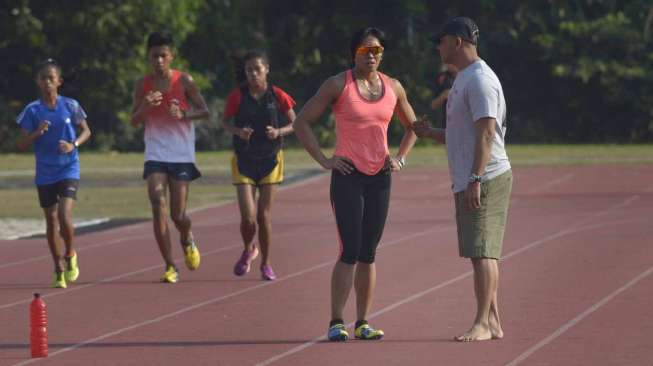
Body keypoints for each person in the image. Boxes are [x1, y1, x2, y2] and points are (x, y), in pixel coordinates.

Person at [293, 27, 418, 341]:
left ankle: (362, 322)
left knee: (369, 252)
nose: (372, 56)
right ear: (354, 54)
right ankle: (337, 321)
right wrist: (324, 160)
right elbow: (302, 122)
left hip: (380, 178)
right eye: (366, 51)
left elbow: (413, 127)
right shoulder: (338, 85)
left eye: (377, 50)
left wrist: (400, 158)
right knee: (349, 250)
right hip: (348, 177)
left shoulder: (394, 87)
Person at [414, 17, 513, 342]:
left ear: (457, 41)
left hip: (484, 176)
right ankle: (494, 321)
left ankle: (483, 323)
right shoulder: (463, 79)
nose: (438, 47)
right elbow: (464, 134)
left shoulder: (480, 80)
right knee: (480, 250)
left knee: (484, 251)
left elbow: (486, 134)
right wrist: (430, 133)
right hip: (472, 176)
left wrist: (475, 178)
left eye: (440, 41)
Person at [130, 31, 210, 283]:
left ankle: (187, 237)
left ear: (172, 56)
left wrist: (184, 114)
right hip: (155, 152)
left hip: (181, 154)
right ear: (148, 57)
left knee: (178, 215)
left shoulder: (184, 81)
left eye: (163, 56)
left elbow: (205, 111)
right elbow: (133, 120)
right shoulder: (142, 85)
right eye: (154, 56)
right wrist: (145, 106)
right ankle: (169, 265)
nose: (159, 61)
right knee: (156, 201)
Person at [221, 50, 297, 281]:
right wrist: (238, 132)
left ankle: (265, 263)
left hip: (271, 159)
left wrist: (279, 132)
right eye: (249, 70)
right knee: (248, 218)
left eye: (257, 69)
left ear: (266, 70)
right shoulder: (237, 96)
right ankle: (248, 249)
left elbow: (296, 123)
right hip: (243, 159)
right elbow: (225, 122)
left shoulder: (277, 95)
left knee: (264, 216)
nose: (253, 74)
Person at [16, 58, 92, 288]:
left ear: (59, 81)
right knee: (50, 220)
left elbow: (87, 131)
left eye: (52, 78)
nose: (48, 82)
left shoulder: (70, 105)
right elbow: (21, 144)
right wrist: (37, 132)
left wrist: (73, 144)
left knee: (64, 216)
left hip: (68, 167)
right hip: (45, 172)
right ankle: (58, 267)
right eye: (43, 78)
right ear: (38, 82)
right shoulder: (32, 110)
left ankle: (70, 253)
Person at [430, 64, 457, 129]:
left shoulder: (469, 76)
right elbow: (433, 105)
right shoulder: (442, 78)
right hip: (447, 125)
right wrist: (443, 96)